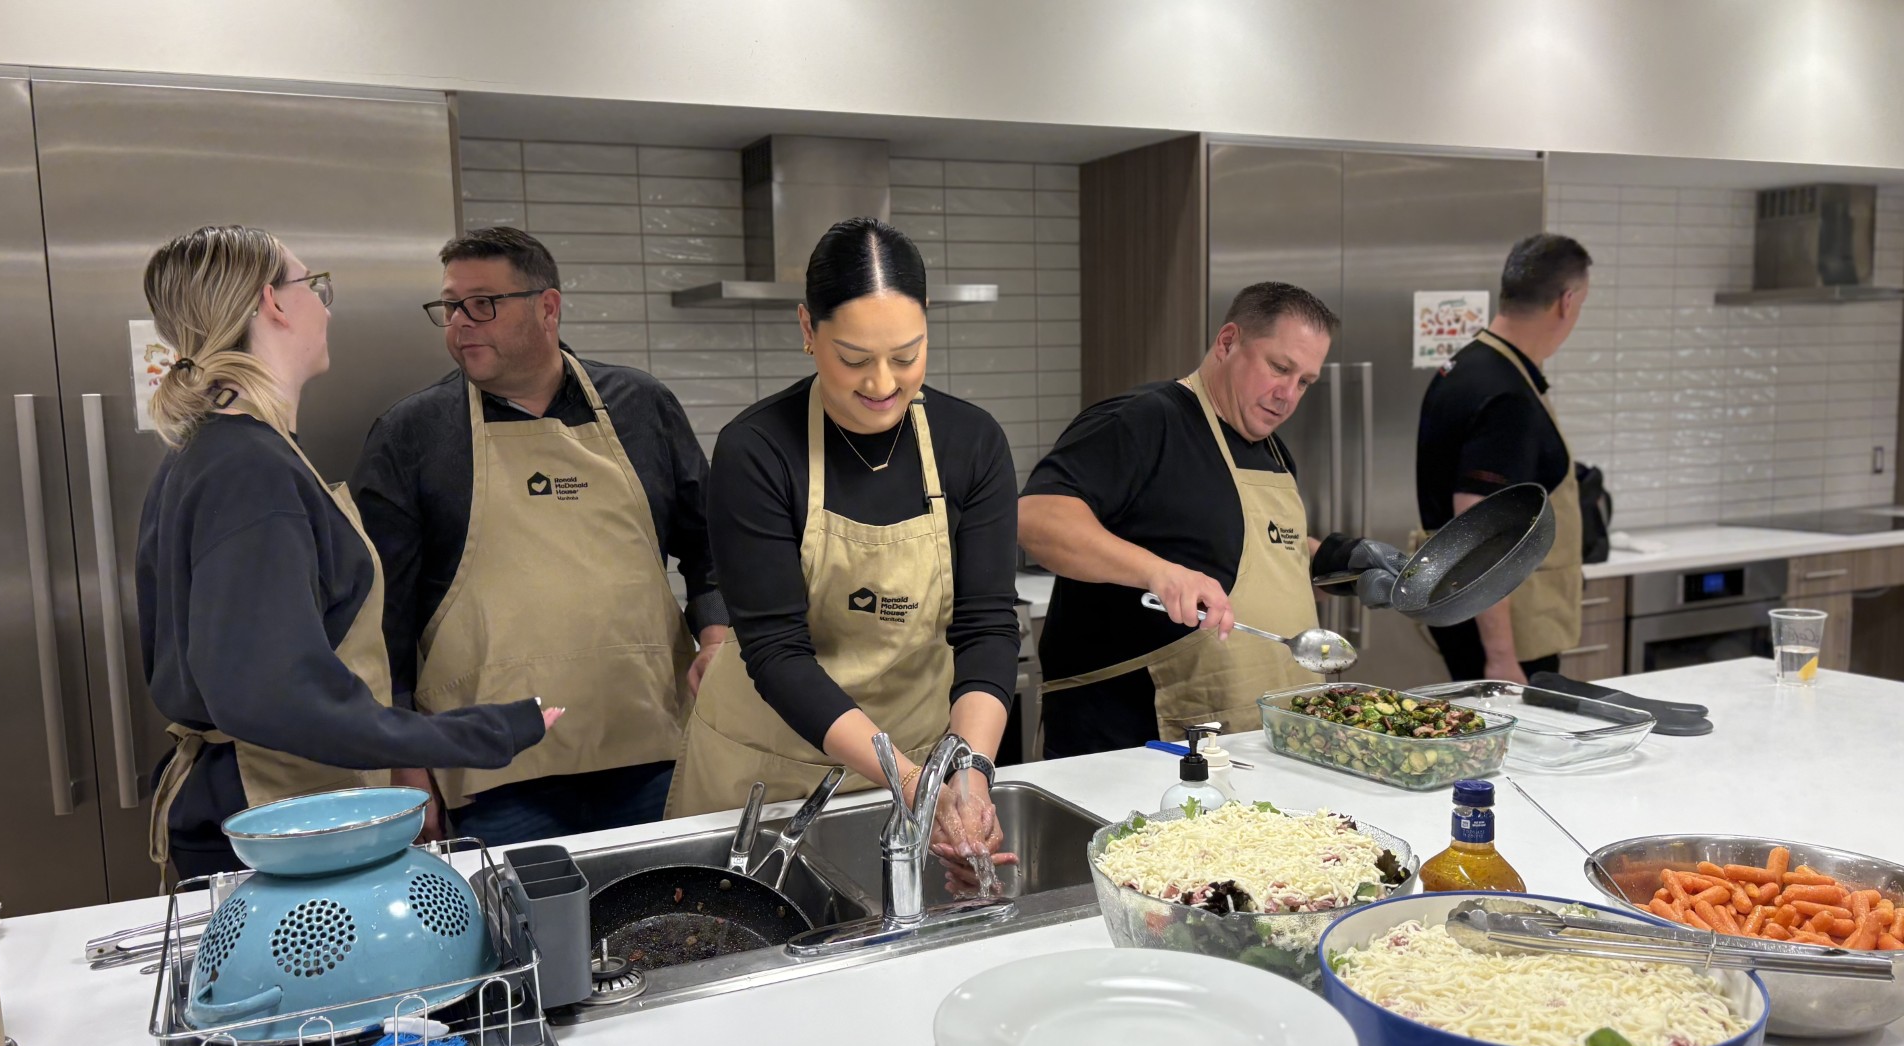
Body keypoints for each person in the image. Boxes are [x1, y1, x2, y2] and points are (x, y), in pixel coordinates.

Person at [136, 225, 558, 882]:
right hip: (268, 822)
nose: (324, 307)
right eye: (314, 286)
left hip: (272, 814)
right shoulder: (247, 466)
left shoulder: (221, 449)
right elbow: (279, 695)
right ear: (272, 303)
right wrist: (476, 734)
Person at [665, 218, 1019, 890]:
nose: (883, 383)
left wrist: (967, 776)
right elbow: (776, 651)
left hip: (913, 765)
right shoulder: (758, 451)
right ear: (807, 328)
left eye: (907, 355)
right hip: (762, 777)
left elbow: (987, 626)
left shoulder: (972, 443)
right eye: (854, 358)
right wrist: (914, 782)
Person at [351, 228, 723, 846]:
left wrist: (715, 636)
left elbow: (712, 546)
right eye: (450, 307)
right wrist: (404, 764)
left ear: (547, 307)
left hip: (653, 751)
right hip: (494, 775)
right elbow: (379, 621)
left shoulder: (643, 407)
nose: (461, 323)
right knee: (527, 939)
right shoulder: (411, 434)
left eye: (482, 304)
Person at [1019, 283, 1402, 758]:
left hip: (1250, 743)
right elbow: (1036, 517)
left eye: (1304, 381)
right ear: (1227, 342)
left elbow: (1252, 545)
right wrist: (1160, 573)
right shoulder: (1145, 421)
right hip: (1136, 743)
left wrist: (1342, 562)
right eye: (1279, 368)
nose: (1287, 395)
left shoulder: (1273, 450)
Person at [1415, 233, 1592, 683]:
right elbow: (1483, 530)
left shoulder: (1468, 366)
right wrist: (1501, 658)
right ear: (1567, 302)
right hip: (1508, 635)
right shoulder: (1507, 396)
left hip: (1464, 614)